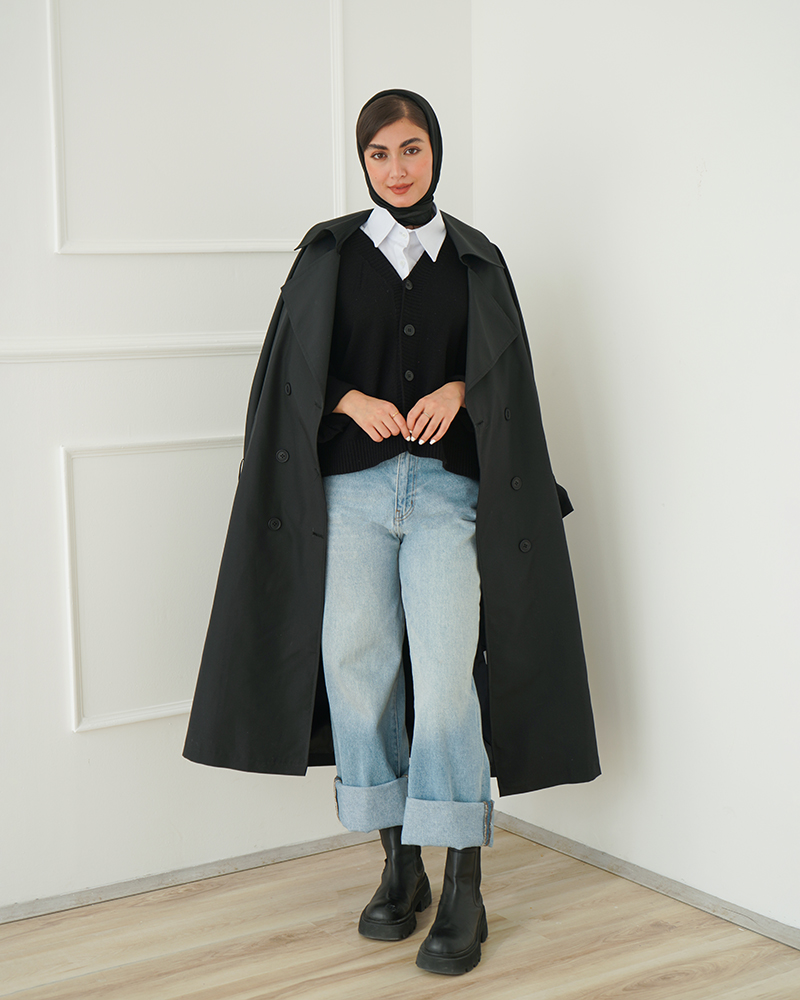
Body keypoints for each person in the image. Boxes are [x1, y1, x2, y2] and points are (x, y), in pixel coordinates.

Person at [184, 89, 600, 977]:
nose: (397, 168)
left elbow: (506, 381)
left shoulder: (477, 260)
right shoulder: (328, 255)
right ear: (362, 160)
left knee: (446, 683)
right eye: (380, 153)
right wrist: (347, 398)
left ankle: (465, 883)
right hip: (351, 496)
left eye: (411, 149)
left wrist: (460, 390)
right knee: (356, 670)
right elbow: (292, 369)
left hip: (448, 494)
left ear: (435, 152)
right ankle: (399, 861)